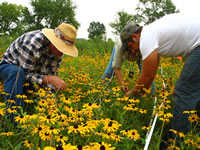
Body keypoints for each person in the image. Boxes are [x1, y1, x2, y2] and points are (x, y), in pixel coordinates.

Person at [119, 13, 200, 148]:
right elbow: (152, 71)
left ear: (134, 37)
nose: (131, 51)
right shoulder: (153, 32)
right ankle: (193, 129)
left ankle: (175, 143)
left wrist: (131, 94)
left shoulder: (146, 38)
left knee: (184, 91)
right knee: (193, 90)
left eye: (129, 47)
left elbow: (147, 78)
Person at [0, 23, 78, 122]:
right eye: (62, 48)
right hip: (8, 69)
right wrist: (49, 79)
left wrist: (50, 108)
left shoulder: (58, 53)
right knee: (17, 72)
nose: (62, 53)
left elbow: (50, 82)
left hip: (31, 75)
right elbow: (25, 75)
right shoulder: (33, 42)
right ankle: (14, 122)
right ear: (54, 43)